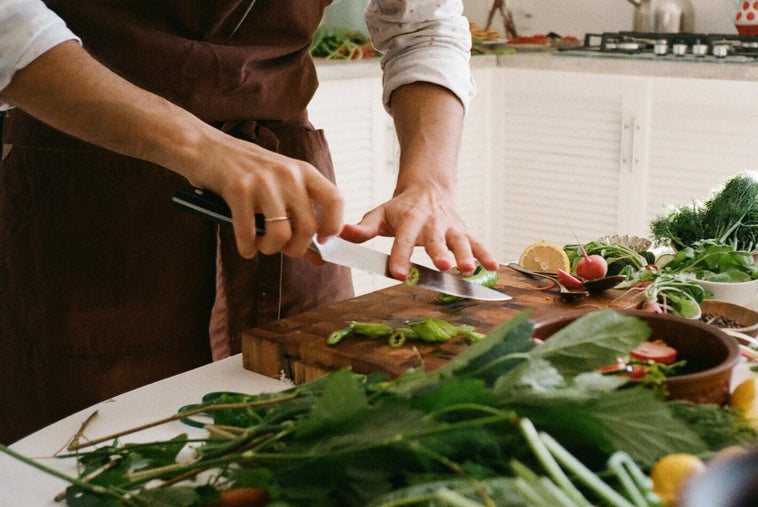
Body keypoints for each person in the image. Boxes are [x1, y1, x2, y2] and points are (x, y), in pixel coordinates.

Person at [0, 0, 498, 444]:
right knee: (86, 450)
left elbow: (422, 26)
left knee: (313, 438)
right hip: (84, 200)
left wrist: (428, 180)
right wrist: (198, 146)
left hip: (291, 208)